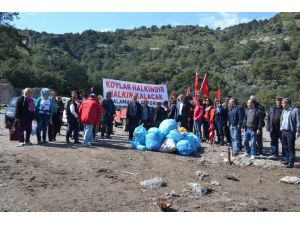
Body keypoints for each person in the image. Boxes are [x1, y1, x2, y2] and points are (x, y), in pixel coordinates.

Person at [280, 98, 300, 168]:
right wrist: (281, 127)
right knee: (285, 146)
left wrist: (298, 131)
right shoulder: (283, 111)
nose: (281, 104)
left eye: (283, 103)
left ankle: (291, 162)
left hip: (290, 132)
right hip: (283, 131)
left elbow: (298, 121)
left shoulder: (295, 110)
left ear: (287, 103)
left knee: (290, 147)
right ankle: (287, 160)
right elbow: (282, 120)